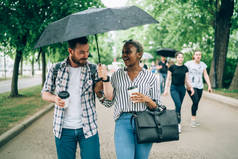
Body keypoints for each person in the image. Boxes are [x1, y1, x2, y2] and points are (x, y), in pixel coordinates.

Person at [96, 40, 160, 159]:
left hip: (145, 122)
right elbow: (109, 102)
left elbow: (158, 107)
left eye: (128, 52)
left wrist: (148, 100)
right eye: (123, 52)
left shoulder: (150, 77)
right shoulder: (116, 75)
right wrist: (99, 94)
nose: (124, 55)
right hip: (123, 122)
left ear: (139, 54)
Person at [41, 37, 101, 159]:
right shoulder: (56, 68)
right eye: (81, 52)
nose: (86, 55)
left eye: (87, 51)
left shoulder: (93, 69)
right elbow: (45, 93)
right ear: (70, 51)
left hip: (88, 128)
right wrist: (55, 99)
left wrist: (102, 79)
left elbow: (102, 96)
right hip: (63, 129)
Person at [163, 52, 194, 133]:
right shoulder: (172, 67)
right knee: (178, 104)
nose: (181, 59)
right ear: (176, 58)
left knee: (178, 107)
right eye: (179, 57)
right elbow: (168, 79)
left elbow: (187, 80)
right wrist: (166, 89)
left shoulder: (185, 68)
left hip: (182, 89)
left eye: (182, 57)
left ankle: (176, 121)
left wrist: (191, 88)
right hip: (174, 88)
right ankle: (178, 124)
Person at [185, 50, 212, 128]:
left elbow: (206, 75)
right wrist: (187, 84)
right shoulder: (188, 64)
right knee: (195, 101)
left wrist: (209, 85)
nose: (198, 56)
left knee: (196, 103)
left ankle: (193, 119)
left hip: (200, 86)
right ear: (194, 56)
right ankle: (193, 121)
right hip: (191, 86)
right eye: (197, 54)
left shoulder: (203, 65)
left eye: (200, 55)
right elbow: (184, 74)